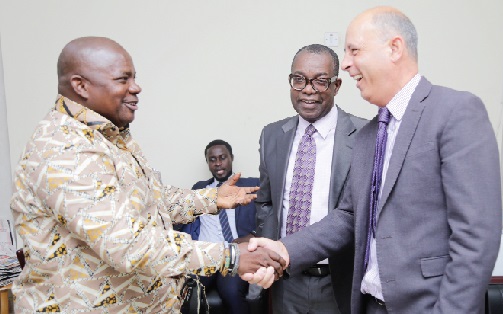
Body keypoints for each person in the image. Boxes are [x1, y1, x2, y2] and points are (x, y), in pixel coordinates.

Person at [245, 6, 502, 314]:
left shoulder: (455, 112)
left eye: (354, 51)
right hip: (367, 304)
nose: (348, 65)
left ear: (394, 48)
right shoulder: (369, 134)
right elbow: (348, 217)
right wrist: (285, 249)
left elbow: (476, 237)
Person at [10, 36, 284, 313]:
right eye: (122, 79)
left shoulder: (109, 137)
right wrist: (230, 256)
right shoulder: (64, 149)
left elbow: (148, 199)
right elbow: (127, 243)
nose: (136, 87)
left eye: (134, 78)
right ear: (80, 85)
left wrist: (211, 198)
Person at [255, 44, 366, 314]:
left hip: (339, 280)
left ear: (337, 85)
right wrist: (271, 256)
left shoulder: (365, 135)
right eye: (299, 79)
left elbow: (360, 214)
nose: (308, 89)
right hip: (286, 281)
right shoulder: (272, 135)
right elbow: (266, 202)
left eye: (320, 81)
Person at [181, 139, 259, 313]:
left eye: (222, 157)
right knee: (188, 292)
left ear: (231, 158)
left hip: (232, 254)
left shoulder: (250, 186)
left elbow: (271, 215)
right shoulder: (200, 189)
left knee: (231, 293)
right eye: (212, 159)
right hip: (203, 254)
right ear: (208, 163)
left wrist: (253, 234)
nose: (218, 163)